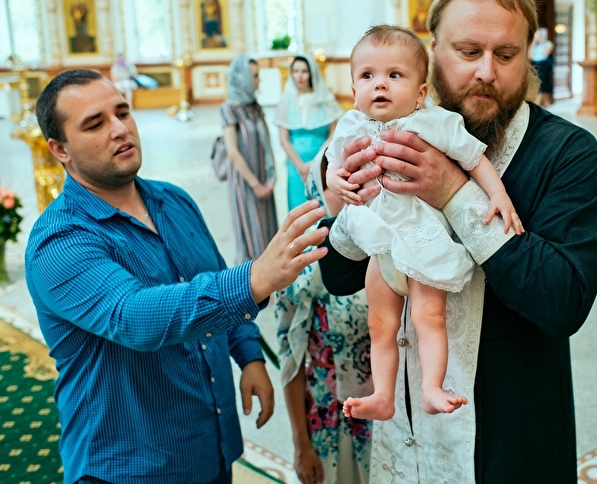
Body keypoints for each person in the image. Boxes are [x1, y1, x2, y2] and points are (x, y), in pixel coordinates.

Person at [318, 0, 597, 483]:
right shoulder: (376, 134)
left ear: (528, 54)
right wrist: (342, 205)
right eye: (468, 51)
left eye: (506, 54)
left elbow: (562, 302)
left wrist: (454, 194)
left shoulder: (570, 154)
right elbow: (339, 277)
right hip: (407, 436)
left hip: (512, 443)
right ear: (432, 52)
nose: (486, 72)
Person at [26, 69, 330, 484]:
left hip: (210, 445)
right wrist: (255, 278)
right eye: (95, 124)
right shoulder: (59, 242)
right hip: (130, 465)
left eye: (122, 113)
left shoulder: (173, 200)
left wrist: (249, 355)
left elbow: (213, 274)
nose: (120, 129)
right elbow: (133, 317)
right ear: (60, 148)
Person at [325, 25, 523, 422]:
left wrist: (498, 194)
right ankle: (383, 396)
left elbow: (474, 159)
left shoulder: (433, 122)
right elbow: (334, 162)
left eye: (394, 75)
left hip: (422, 241)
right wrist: (335, 179)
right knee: (379, 323)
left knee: (429, 317)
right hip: (380, 246)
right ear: (353, 90)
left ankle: (432, 387)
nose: (380, 84)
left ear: (420, 92)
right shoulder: (351, 125)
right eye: (368, 76)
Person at [275, 146, 372, 484]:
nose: (349, 194)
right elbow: (290, 357)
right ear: (317, 190)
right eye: (337, 184)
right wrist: (301, 444)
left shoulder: (391, 249)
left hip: (386, 422)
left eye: (358, 182)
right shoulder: (300, 265)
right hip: (328, 421)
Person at [221, 53, 279, 264]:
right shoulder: (229, 108)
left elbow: (266, 143)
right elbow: (232, 152)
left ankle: (272, 277)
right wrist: (255, 185)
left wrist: (271, 177)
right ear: (242, 78)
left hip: (263, 178)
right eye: (254, 76)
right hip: (245, 182)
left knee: (268, 232)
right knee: (252, 236)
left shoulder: (255, 106)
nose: (258, 80)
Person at [274, 55, 342, 210]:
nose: (299, 75)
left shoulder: (325, 98)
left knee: (322, 208)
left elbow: (333, 133)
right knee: (298, 207)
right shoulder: (286, 100)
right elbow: (284, 140)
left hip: (322, 162)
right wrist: (301, 167)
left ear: (311, 73)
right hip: (296, 166)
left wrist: (314, 164)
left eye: (304, 71)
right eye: (296, 71)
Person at [530, 27, 555, 107]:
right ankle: (544, 101)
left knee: (543, 83)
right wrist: (534, 43)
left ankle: (540, 101)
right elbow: (530, 56)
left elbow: (547, 53)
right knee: (537, 82)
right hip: (535, 65)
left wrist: (542, 41)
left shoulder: (548, 43)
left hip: (544, 65)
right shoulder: (533, 45)